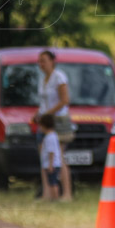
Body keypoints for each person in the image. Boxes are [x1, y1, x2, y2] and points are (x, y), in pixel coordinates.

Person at [34, 49, 72, 201]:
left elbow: (64, 100)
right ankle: (47, 193)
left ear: (52, 61)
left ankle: (66, 193)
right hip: (45, 121)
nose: (41, 64)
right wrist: (39, 114)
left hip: (58, 121)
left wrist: (47, 114)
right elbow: (43, 102)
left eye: (43, 60)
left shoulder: (59, 77)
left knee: (58, 157)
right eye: (39, 61)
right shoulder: (43, 79)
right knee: (44, 156)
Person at [37, 113, 64, 201]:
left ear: (44, 126)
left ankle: (55, 198)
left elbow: (51, 152)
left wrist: (50, 165)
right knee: (51, 182)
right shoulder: (53, 136)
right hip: (52, 164)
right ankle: (53, 198)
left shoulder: (50, 137)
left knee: (53, 182)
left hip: (52, 164)